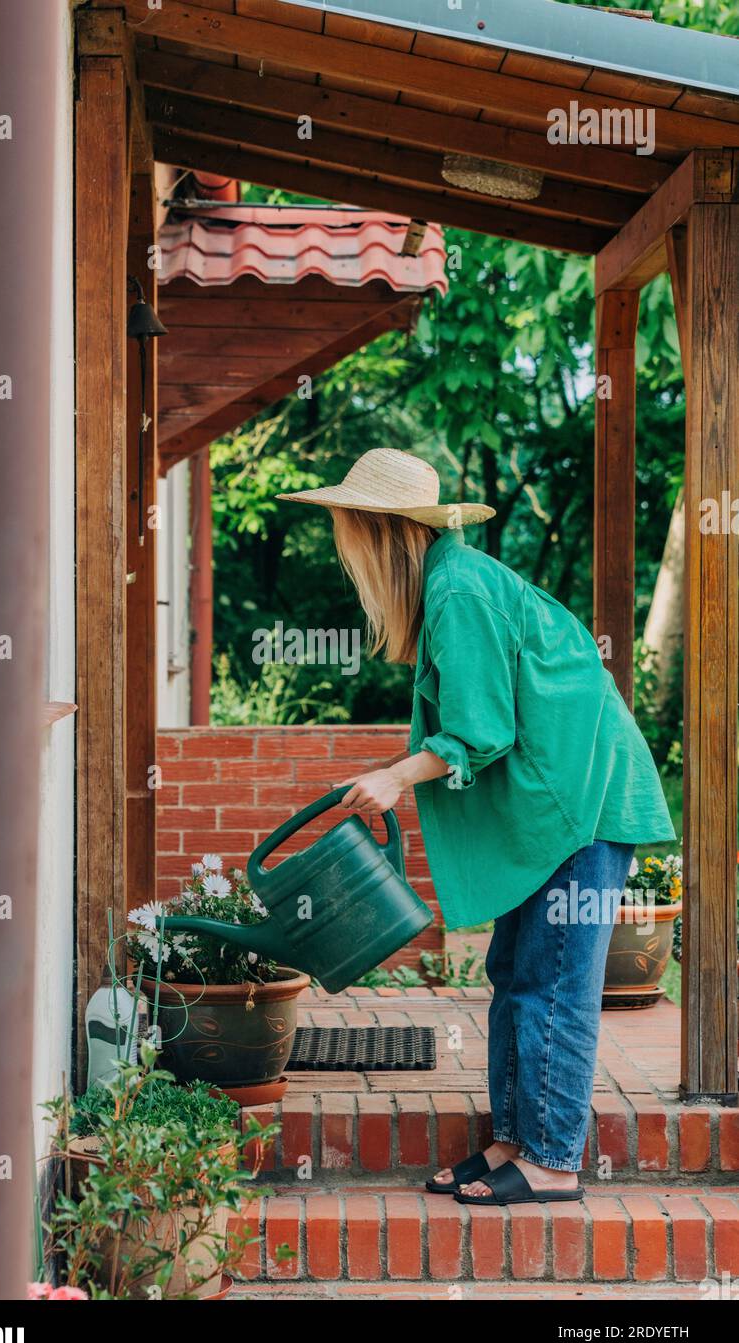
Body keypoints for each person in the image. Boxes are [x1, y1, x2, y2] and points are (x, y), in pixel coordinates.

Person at [276, 449, 675, 1206]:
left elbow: (480, 729)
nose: (339, 544)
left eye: (343, 527)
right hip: (556, 803)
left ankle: (553, 1160)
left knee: (552, 983)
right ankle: (514, 1143)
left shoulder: (458, 590)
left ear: (377, 530)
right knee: (515, 976)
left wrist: (396, 775)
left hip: (579, 806)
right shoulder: (449, 585)